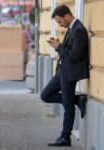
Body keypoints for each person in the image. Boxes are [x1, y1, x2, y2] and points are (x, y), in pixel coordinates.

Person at [41, 5, 89, 147]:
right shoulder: (72, 29)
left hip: (70, 72)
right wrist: (59, 45)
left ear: (67, 16)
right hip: (63, 70)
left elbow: (75, 55)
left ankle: (65, 137)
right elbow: (68, 51)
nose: (59, 24)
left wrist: (59, 47)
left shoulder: (79, 30)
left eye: (60, 21)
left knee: (67, 105)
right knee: (45, 95)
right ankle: (77, 99)